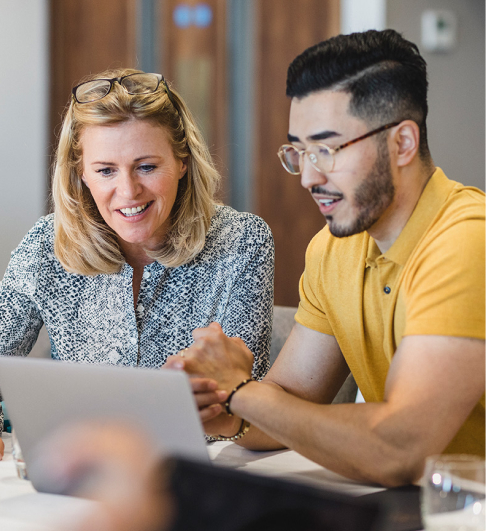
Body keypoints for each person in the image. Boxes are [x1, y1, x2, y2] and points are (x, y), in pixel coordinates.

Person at [167, 29, 485, 487]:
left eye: (327, 150)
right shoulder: (335, 247)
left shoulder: (466, 240)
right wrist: (221, 408)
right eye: (299, 151)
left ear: (402, 144)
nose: (308, 177)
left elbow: (400, 449)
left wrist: (241, 390)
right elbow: (289, 398)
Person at [0, 68, 274, 457]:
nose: (128, 191)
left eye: (146, 166)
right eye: (105, 170)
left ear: (182, 161)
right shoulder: (47, 244)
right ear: (81, 173)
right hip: (80, 471)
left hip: (204, 471)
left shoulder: (242, 241)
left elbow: (248, 403)